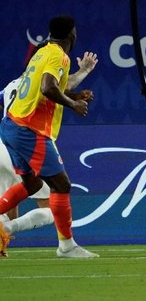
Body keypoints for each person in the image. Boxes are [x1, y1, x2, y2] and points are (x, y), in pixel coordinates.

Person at [0, 15, 99, 258]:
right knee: (61, 184)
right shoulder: (58, 55)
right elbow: (48, 88)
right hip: (30, 129)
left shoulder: (41, 53)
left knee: (31, 183)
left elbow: (50, 88)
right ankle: (67, 246)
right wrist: (73, 105)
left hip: (11, 125)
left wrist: (74, 94)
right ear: (72, 35)